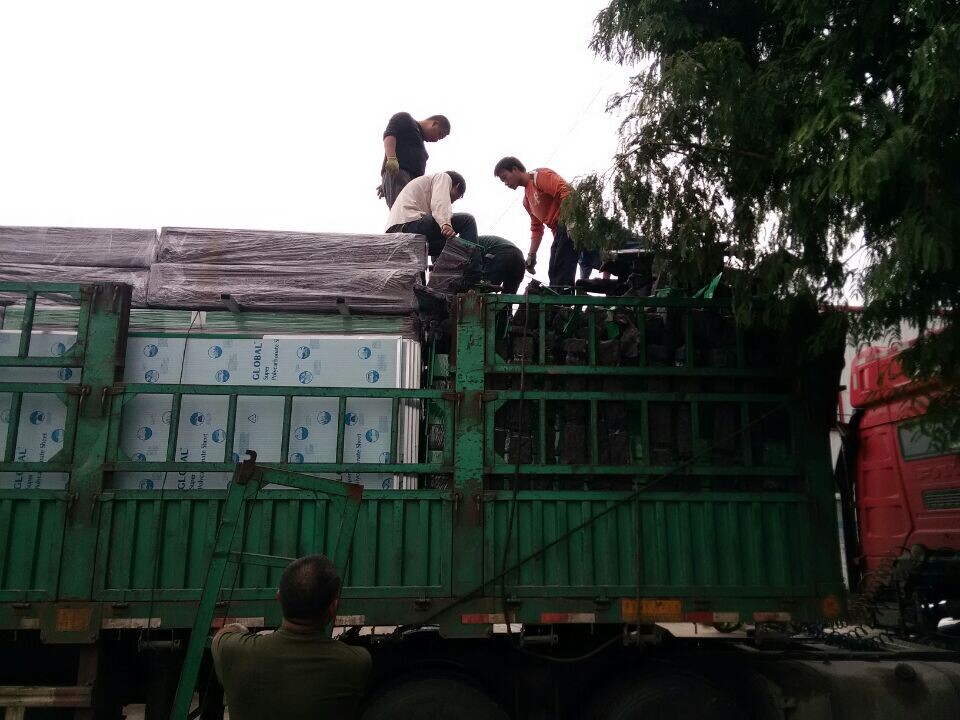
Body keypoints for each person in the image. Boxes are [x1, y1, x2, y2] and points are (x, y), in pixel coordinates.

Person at [212, 554, 371, 720]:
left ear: (279, 598)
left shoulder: (231, 650)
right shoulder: (356, 662)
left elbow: (220, 636)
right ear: (333, 608)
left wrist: (239, 629)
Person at [493, 156, 578, 286]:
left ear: (515, 169)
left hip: (569, 222)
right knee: (553, 270)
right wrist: (532, 255)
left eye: (505, 177)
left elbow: (566, 191)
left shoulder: (538, 176)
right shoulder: (527, 201)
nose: (505, 183)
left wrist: (571, 220)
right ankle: (559, 295)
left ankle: (564, 297)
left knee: (563, 267)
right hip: (558, 231)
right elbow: (536, 228)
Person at [385, 171, 478, 259]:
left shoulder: (426, 189)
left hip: (396, 231)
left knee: (450, 246)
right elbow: (440, 202)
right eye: (454, 198)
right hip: (409, 224)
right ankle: (473, 267)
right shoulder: (443, 177)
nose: (452, 202)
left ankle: (442, 269)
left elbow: (435, 212)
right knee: (467, 220)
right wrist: (446, 223)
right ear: (457, 186)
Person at [378, 113, 451, 209]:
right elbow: (390, 135)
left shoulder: (419, 141)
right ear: (434, 124)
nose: (436, 140)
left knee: (412, 211)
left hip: (413, 182)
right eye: (439, 134)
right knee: (402, 209)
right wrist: (391, 159)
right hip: (400, 173)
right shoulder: (406, 119)